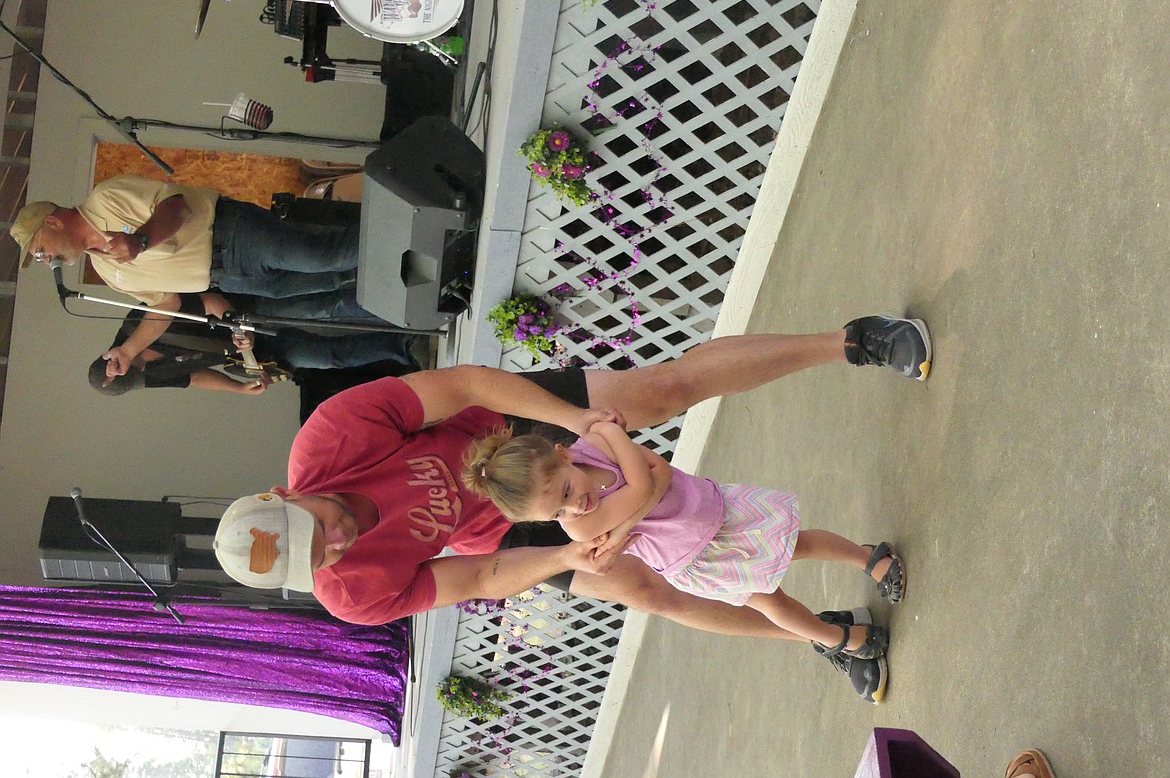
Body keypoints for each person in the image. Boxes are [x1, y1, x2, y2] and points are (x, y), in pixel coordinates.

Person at [212, 313, 932, 704]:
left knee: (660, 392)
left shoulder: (330, 438)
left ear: (285, 495)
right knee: (655, 593)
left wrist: (577, 421)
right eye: (319, 560)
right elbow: (483, 577)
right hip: (511, 525)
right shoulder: (350, 592)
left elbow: (465, 384)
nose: (335, 543)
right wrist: (564, 555)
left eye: (318, 528)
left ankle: (850, 340)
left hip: (510, 438)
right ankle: (822, 635)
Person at [460, 420, 905, 702]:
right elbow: (644, 482)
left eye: (565, 492)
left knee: (798, 543)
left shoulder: (592, 447)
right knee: (768, 601)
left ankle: (870, 558)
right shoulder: (582, 518)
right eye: (556, 513)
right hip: (697, 559)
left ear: (562, 454)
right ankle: (839, 637)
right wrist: (619, 440)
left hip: (716, 511)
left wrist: (629, 513)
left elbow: (661, 472)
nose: (574, 508)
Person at [10, 174, 374, 384]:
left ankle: (416, 236)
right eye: (37, 258)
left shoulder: (105, 200)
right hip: (228, 278)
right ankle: (413, 272)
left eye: (39, 249)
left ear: (54, 221)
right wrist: (128, 350)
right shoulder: (107, 271)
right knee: (333, 279)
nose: (44, 259)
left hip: (231, 234)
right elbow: (165, 305)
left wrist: (140, 240)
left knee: (329, 255)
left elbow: (176, 204)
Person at [88, 291, 423, 397]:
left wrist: (235, 323)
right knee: (327, 358)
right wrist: (237, 388)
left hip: (245, 310)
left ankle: (403, 304)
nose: (143, 371)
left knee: (324, 309)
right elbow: (194, 378)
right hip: (247, 351)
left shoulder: (138, 324)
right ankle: (405, 344)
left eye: (137, 368)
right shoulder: (148, 378)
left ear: (112, 356)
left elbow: (204, 299)